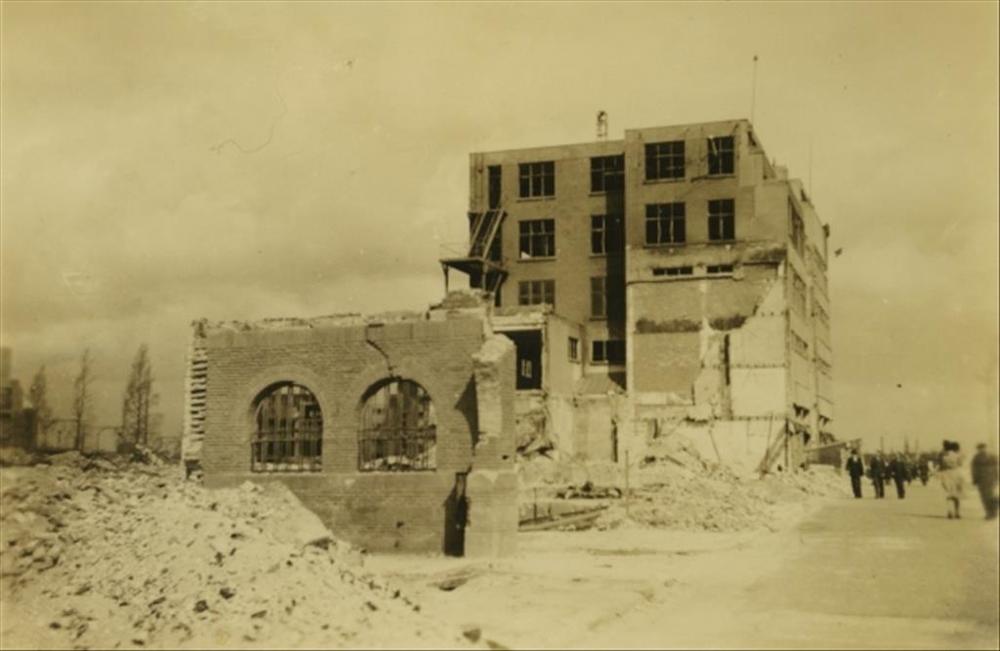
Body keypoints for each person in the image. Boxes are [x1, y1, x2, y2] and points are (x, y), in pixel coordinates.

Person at [970, 443, 999, 520]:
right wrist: (975, 479)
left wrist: (974, 479)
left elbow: (997, 468)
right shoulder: (977, 458)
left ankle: (993, 512)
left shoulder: (991, 456)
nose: (982, 450)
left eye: (982, 448)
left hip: (989, 480)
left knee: (989, 496)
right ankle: (990, 513)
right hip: (984, 480)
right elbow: (974, 469)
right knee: (985, 497)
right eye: (980, 449)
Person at [938, 440, 966, 519]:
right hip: (956, 474)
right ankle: (957, 513)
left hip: (946, 474)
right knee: (957, 495)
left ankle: (950, 512)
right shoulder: (957, 455)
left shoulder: (943, 456)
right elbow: (960, 464)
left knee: (949, 494)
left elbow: (941, 465)